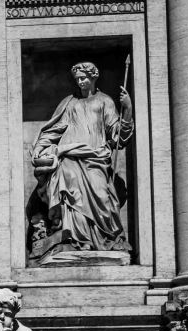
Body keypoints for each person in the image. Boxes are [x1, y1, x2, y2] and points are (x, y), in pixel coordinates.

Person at [30, 61, 133, 260]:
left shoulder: (104, 101)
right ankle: (77, 240)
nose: (81, 82)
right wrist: (40, 148)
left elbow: (118, 134)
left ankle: (105, 238)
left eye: (84, 78)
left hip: (95, 157)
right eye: (77, 79)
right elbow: (54, 129)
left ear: (94, 77)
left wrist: (127, 108)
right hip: (70, 156)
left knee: (102, 195)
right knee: (71, 194)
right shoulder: (70, 103)